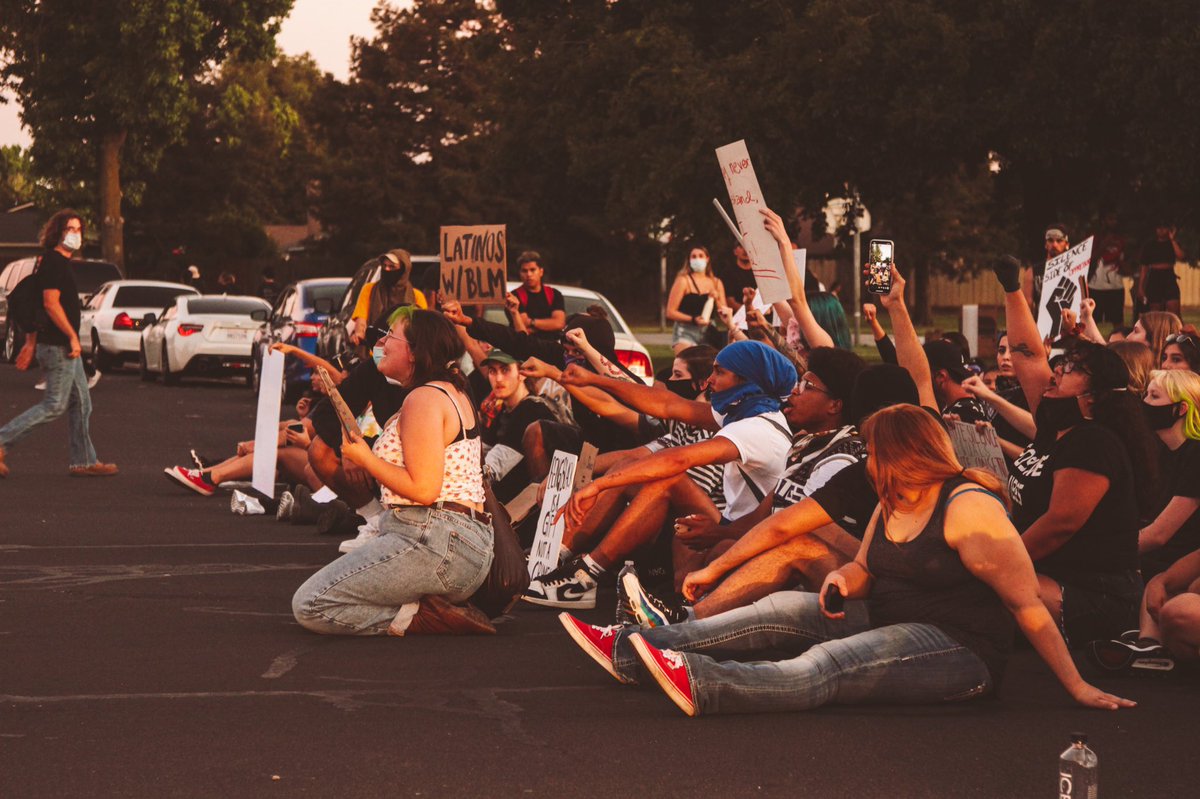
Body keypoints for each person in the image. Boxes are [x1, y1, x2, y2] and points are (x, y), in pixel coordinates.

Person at [557, 405, 1134, 717]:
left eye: (873, 451)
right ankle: (634, 649)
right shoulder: (894, 498)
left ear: (903, 455)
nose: (866, 461)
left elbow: (1026, 605)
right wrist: (841, 577)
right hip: (889, 613)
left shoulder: (969, 509)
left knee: (826, 663)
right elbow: (864, 569)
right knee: (781, 608)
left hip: (961, 651)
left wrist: (1077, 686)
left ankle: (704, 682)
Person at [522, 341, 796, 609]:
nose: (709, 380)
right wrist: (593, 379)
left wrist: (598, 485)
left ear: (746, 381)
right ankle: (551, 559)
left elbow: (678, 459)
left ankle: (584, 577)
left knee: (667, 479)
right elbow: (667, 405)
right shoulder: (746, 414)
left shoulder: (756, 428)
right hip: (734, 526)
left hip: (751, 537)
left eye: (719, 372)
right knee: (632, 467)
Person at [292, 307, 495, 637]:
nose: (381, 343)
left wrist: (365, 458)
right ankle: (427, 607)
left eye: (390, 336)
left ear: (414, 351)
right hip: (450, 543)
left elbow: (424, 489)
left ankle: (424, 617)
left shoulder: (424, 399)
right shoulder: (443, 391)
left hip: (437, 541)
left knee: (311, 604)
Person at [994, 255, 1160, 645]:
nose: (1057, 370)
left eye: (1071, 368)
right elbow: (1027, 354)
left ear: (1094, 396)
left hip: (1094, 595)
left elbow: (1060, 524)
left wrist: (996, 563)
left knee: (975, 592)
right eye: (1062, 363)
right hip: (1045, 575)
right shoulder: (1056, 424)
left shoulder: (1094, 442)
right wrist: (1012, 287)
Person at [0, 210, 117, 478]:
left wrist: (32, 343)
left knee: (82, 403)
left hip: (62, 346)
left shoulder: (57, 263)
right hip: (58, 347)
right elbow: (50, 304)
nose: (75, 234)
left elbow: (39, 307)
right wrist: (72, 337)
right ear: (57, 233)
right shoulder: (53, 262)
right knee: (54, 405)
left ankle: (84, 461)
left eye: (78, 230)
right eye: (69, 229)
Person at [1136, 369, 1200, 579]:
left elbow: (1159, 535)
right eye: (1146, 394)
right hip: (1153, 559)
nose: (1145, 402)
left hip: (1177, 568)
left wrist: (1106, 551)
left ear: (1180, 409)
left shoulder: (1195, 455)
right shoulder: (1161, 450)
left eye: (1154, 396)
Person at [477, 349, 560, 503]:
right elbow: (481, 451)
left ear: (522, 374)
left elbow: (493, 468)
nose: (498, 378)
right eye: (492, 371)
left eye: (505, 370)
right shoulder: (502, 411)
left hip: (540, 503)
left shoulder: (531, 409)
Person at [348, 250, 428, 346]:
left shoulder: (416, 296)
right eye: (384, 266)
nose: (387, 269)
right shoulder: (369, 290)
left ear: (403, 270)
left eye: (392, 267)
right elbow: (361, 319)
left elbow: (423, 328)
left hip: (403, 350)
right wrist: (359, 334)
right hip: (373, 349)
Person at [665, 246, 725, 353]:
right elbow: (670, 312)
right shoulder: (683, 281)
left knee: (709, 361)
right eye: (694, 256)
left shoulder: (716, 283)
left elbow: (724, 313)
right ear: (689, 260)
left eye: (701, 256)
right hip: (685, 330)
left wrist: (717, 299)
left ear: (707, 258)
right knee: (688, 360)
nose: (697, 259)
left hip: (708, 331)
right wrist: (693, 319)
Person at [509, 251, 566, 338]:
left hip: (551, 344)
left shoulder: (554, 294)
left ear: (541, 271)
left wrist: (531, 322)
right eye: (524, 271)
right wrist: (548, 326)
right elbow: (522, 327)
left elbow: (559, 323)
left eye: (532, 270)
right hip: (525, 344)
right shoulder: (514, 296)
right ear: (519, 273)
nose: (529, 274)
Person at [1137, 223, 1186, 316]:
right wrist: (1140, 287)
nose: (1161, 230)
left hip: (1169, 276)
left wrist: (1172, 239)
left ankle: (1175, 325)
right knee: (1155, 311)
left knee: (1174, 309)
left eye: (1164, 227)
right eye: (1159, 227)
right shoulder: (1149, 245)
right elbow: (1144, 268)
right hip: (1154, 277)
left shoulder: (1173, 244)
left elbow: (1181, 256)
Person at [1089, 211, 1128, 326]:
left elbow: (1125, 262)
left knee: (1117, 322)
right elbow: (1090, 258)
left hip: (1116, 286)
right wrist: (1104, 244)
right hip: (1095, 286)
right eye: (1110, 219)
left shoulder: (1121, 240)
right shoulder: (1095, 238)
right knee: (1093, 321)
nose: (1113, 222)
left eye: (1115, 219)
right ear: (1103, 221)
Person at [1023, 223, 1071, 311]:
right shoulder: (1032, 272)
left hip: (1068, 318)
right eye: (1050, 240)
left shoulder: (1075, 269)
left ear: (1066, 244)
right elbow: (1027, 306)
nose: (1054, 245)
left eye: (1059, 240)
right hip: (1040, 319)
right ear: (1046, 244)